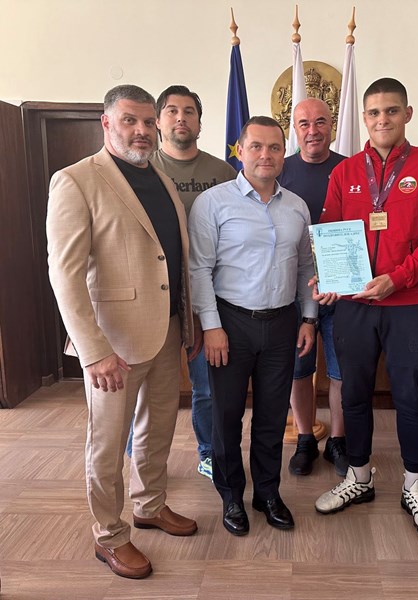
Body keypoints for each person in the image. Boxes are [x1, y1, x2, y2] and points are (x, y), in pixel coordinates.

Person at [47, 84, 198, 579]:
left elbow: (170, 258)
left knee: (158, 427)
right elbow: (65, 275)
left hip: (166, 330)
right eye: (130, 120)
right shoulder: (76, 180)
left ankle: (149, 505)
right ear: (106, 123)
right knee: (108, 443)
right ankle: (109, 535)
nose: (142, 130)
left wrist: (188, 322)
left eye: (148, 122)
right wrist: (93, 352)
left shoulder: (160, 178)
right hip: (113, 343)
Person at [313, 78, 418, 539]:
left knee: (411, 398)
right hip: (354, 306)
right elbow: (330, 229)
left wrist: (401, 276)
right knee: (354, 393)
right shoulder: (345, 172)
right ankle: (359, 477)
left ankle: (414, 485)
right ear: (363, 118)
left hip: (407, 304)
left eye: (391, 111)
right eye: (373, 113)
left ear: (407, 114)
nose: (382, 120)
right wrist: (329, 278)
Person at [188, 116, 317, 536]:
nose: (266, 155)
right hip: (230, 324)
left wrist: (309, 318)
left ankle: (267, 493)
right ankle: (231, 496)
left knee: (272, 416)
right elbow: (199, 269)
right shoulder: (213, 203)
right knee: (226, 417)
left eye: (275, 147)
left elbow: (306, 268)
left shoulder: (297, 206)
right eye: (256, 146)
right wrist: (211, 326)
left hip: (282, 324)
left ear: (284, 153)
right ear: (240, 151)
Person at [125, 85, 237, 481]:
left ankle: (207, 452)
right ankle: (137, 456)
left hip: (205, 297)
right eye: (172, 111)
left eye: (189, 111)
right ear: (158, 122)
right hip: (152, 298)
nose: (181, 118)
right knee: (143, 387)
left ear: (200, 123)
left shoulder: (223, 173)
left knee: (206, 386)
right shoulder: (140, 169)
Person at [278, 98, 348, 477]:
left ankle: (337, 440)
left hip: (342, 292)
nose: (312, 131)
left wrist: (341, 278)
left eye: (320, 122)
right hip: (293, 293)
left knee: (340, 372)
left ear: (331, 125)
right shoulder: (280, 170)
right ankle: (305, 438)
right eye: (304, 123)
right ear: (294, 128)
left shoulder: (351, 169)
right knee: (298, 371)